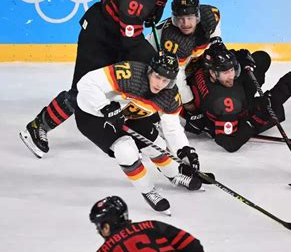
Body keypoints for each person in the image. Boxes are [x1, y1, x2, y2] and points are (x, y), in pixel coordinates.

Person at [19, 0, 168, 158]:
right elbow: (132, 41)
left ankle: (148, 125)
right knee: (83, 92)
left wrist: (159, 3)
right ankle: (38, 126)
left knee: (138, 79)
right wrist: (156, 60)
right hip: (99, 37)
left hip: (118, 35)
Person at [75, 51, 202, 214]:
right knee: (126, 151)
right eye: (157, 76)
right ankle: (148, 191)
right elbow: (86, 83)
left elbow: (172, 127)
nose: (160, 84)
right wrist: (104, 107)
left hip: (128, 114)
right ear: (149, 71)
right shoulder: (130, 74)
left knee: (157, 145)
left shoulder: (169, 96)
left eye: (165, 80)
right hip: (93, 115)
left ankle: (173, 175)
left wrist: (184, 150)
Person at [185, 33, 291, 152]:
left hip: (230, 96)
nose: (231, 75)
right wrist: (251, 123)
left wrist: (244, 58)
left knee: (261, 58)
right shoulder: (225, 103)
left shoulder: (204, 64)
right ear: (213, 73)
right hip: (239, 117)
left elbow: (234, 56)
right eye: (226, 72)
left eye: (232, 69)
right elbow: (229, 144)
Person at [146, 0, 221, 111]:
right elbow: (176, 74)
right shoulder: (172, 40)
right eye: (180, 19)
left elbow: (215, 25)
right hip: (157, 65)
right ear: (174, 18)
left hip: (188, 62)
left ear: (198, 15)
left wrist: (216, 42)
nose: (185, 24)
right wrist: (188, 102)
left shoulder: (209, 15)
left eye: (190, 18)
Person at [89, 195, 204, 252]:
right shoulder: (152, 225)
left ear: (106, 227)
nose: (97, 230)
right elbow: (194, 247)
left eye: (98, 226)